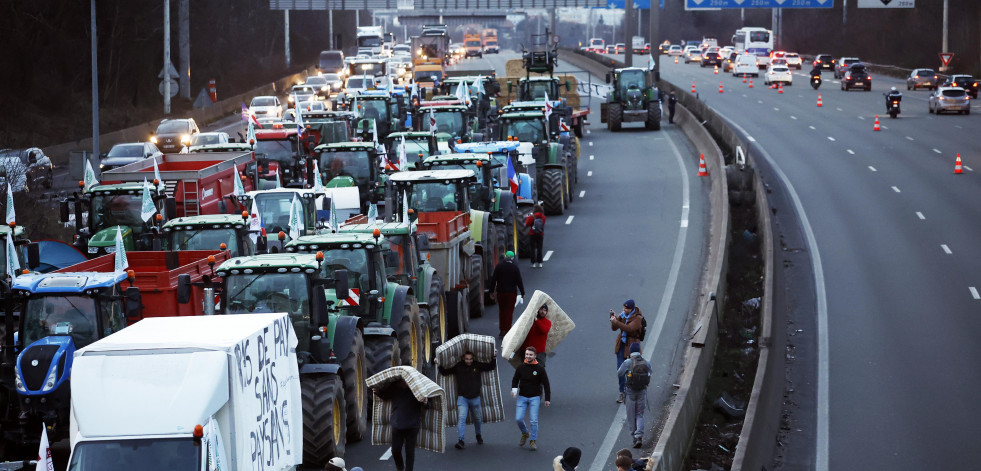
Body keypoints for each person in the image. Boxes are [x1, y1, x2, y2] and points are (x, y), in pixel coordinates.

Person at [437, 349, 497, 449]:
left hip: (475, 398)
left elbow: (491, 366)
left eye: (470, 359)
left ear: (473, 359)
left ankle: (478, 435)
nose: (469, 361)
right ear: (463, 359)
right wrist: (438, 363)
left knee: (477, 419)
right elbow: (445, 372)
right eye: (467, 359)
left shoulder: (477, 365)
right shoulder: (458, 366)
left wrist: (494, 357)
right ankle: (461, 440)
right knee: (461, 418)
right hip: (462, 398)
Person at [372, 379, 428, 471]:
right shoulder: (394, 388)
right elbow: (385, 396)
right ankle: (400, 467)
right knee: (395, 450)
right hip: (397, 424)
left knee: (409, 451)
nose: (404, 383)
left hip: (412, 425)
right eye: (402, 381)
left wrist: (426, 402)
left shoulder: (417, 390)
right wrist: (377, 392)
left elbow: (428, 404)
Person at [511, 346, 550, 451]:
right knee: (518, 418)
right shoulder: (520, 367)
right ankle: (525, 432)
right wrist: (514, 390)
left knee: (533, 420)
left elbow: (546, 384)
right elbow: (515, 380)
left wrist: (547, 399)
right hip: (522, 397)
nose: (528, 356)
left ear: (535, 356)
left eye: (530, 355)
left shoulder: (539, 369)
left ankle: (533, 440)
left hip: (534, 398)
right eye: (527, 354)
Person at [617, 343, 652, 448]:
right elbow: (650, 373)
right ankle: (639, 436)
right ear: (640, 351)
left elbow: (619, 373)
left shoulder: (628, 362)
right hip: (642, 391)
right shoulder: (646, 362)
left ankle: (634, 438)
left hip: (630, 391)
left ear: (630, 351)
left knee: (631, 415)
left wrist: (629, 373)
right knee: (639, 414)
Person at [610, 299, 644, 403]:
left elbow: (629, 329)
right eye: (624, 308)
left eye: (627, 309)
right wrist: (614, 319)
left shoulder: (638, 318)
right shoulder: (623, 315)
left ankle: (633, 390)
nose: (625, 310)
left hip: (632, 344)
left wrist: (617, 322)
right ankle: (622, 392)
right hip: (622, 344)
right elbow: (614, 328)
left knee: (632, 369)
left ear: (632, 309)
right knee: (620, 369)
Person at [488, 250, 525, 337]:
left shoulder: (499, 266)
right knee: (509, 312)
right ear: (512, 258)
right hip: (511, 293)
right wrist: (522, 292)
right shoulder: (515, 267)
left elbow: (494, 280)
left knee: (502, 311)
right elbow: (519, 281)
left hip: (501, 293)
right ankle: (508, 330)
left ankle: (502, 330)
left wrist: (491, 291)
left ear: (505, 257)